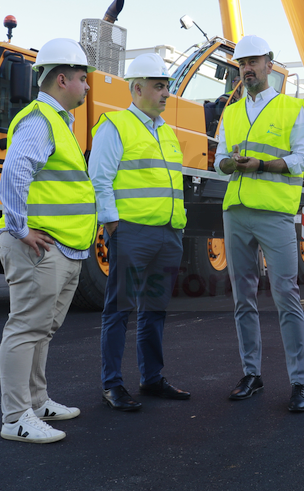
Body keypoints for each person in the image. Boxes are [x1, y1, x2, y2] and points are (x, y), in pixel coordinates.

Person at [0, 38, 98, 443]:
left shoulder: (58, 122)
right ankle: (16, 417)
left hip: (61, 247)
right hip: (39, 246)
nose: (88, 87)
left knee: (42, 329)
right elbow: (14, 172)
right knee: (25, 328)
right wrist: (20, 228)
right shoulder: (41, 119)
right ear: (61, 79)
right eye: (82, 79)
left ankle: (36, 403)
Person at [215, 35, 304, 412]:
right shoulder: (234, 111)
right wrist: (229, 163)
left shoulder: (292, 108)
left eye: (253, 61)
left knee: (286, 296)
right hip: (236, 210)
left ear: (270, 64)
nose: (247, 69)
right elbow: (219, 159)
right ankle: (251, 375)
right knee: (243, 299)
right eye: (242, 64)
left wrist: (262, 165)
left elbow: (303, 157)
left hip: (275, 212)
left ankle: (299, 383)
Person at [90, 53, 190, 412]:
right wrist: (111, 221)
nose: (166, 93)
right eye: (160, 86)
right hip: (132, 232)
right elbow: (99, 177)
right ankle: (112, 384)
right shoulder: (115, 125)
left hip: (168, 233)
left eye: (167, 86)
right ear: (136, 89)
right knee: (119, 309)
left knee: (155, 311)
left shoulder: (166, 131)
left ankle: (151, 379)